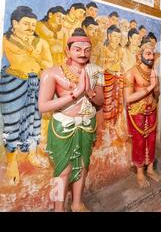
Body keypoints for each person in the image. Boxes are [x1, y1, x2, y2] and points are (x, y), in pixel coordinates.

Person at [39, 28, 104, 212]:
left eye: (87, 49)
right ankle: (58, 208)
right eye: (77, 49)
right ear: (67, 51)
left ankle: (77, 203)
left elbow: (100, 101)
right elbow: (43, 106)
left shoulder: (96, 71)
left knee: (83, 165)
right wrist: (76, 93)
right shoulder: (52, 73)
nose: (83, 54)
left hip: (86, 124)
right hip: (63, 126)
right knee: (63, 171)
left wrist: (89, 90)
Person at [0, 6, 53, 185]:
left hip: (35, 82)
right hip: (12, 81)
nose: (31, 27)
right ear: (15, 23)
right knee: (12, 122)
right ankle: (11, 162)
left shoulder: (41, 43)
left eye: (33, 24)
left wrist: (35, 55)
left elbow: (49, 64)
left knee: (34, 120)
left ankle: (32, 153)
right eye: (26, 24)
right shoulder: (5, 40)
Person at [124, 39, 161, 187]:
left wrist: (155, 87)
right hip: (137, 111)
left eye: (152, 54)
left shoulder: (153, 72)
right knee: (139, 141)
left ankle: (150, 169)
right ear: (140, 56)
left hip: (151, 109)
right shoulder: (130, 73)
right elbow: (128, 98)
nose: (151, 57)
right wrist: (150, 87)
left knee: (151, 140)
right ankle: (139, 172)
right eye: (148, 53)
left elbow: (156, 95)